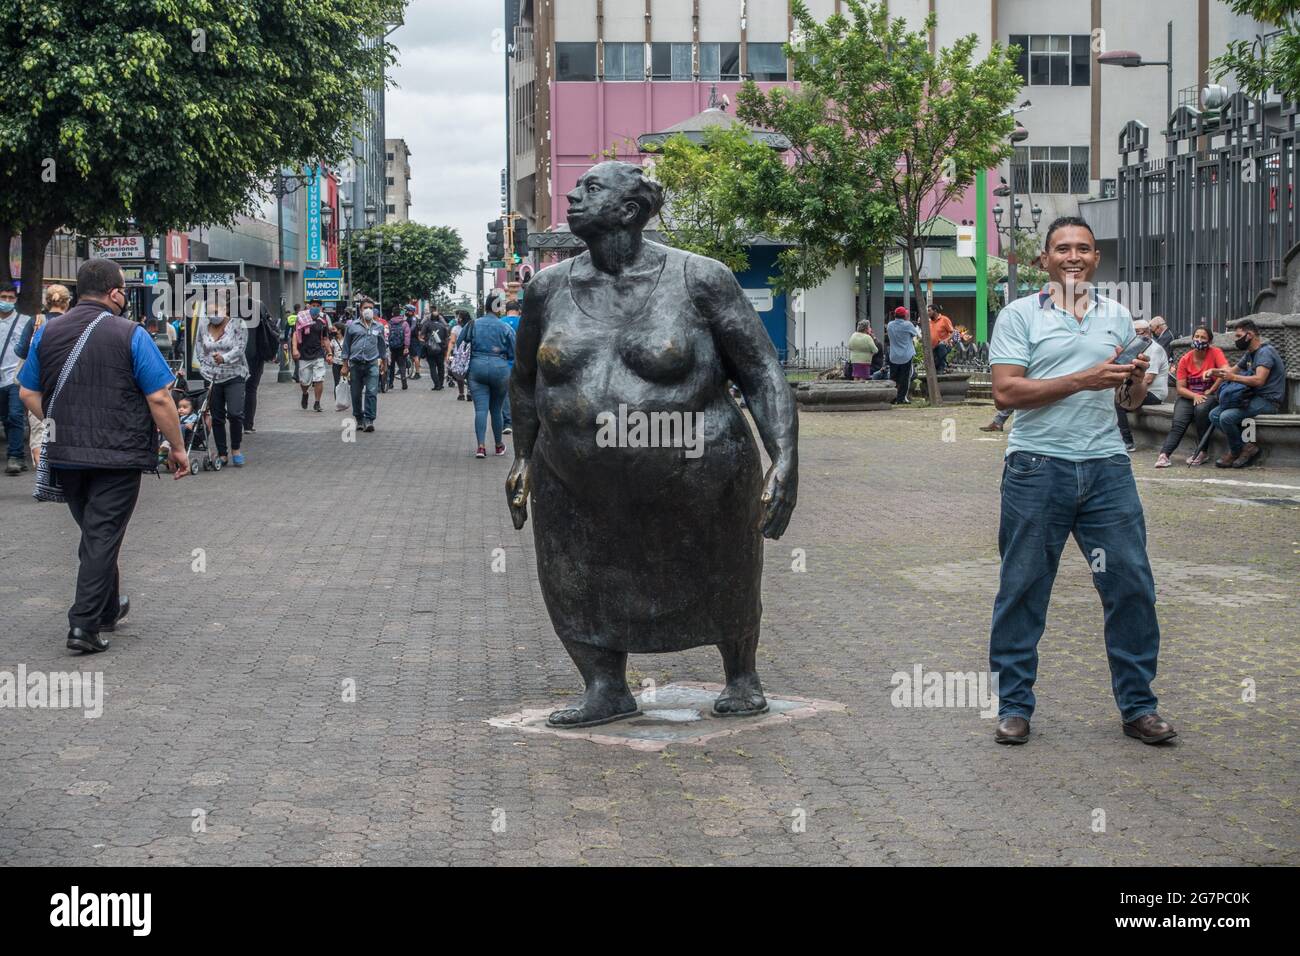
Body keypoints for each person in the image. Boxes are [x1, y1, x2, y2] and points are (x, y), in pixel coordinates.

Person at [987, 216, 1175, 747]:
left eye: (1084, 249)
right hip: (1036, 468)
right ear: (1045, 260)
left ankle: (1139, 707)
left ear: (1096, 259)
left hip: (1107, 468)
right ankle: (1014, 707)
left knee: (1132, 586)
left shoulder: (1118, 317)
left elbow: (1128, 403)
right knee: (1023, 588)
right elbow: (1006, 394)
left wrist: (1133, 384)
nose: (1073, 256)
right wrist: (1083, 380)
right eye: (1062, 248)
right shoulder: (1020, 315)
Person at [17, 258, 189, 654]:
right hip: (118, 457)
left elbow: (27, 393)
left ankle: (109, 607)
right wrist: (178, 448)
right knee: (101, 535)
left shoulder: (48, 332)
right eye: (124, 292)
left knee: (96, 533)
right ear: (115, 293)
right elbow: (160, 396)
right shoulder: (131, 333)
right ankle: (83, 626)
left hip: (65, 457)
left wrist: (64, 421)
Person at [1207, 318, 1287, 469]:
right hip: (1252, 397)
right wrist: (1214, 372)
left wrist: (1234, 378)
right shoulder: (1250, 353)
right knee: (1214, 414)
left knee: (1226, 417)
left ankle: (1235, 451)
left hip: (1268, 401)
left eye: (1238, 336)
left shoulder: (1265, 353)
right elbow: (1231, 371)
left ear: (1249, 335)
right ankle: (1246, 448)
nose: (1236, 340)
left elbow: (1259, 380)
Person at [14, 284, 72, 470]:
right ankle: (59, 470)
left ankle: (43, 472)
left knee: (41, 429)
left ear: (46, 301)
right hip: (66, 385)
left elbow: (21, 350)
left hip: (39, 386)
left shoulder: (36, 321)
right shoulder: (73, 322)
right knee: (60, 429)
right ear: (67, 302)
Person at [1155, 324, 1227, 467]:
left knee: (1201, 411)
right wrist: (1194, 396)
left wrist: (1212, 388)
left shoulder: (1215, 352)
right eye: (1197, 337)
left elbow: (1225, 371)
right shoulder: (1185, 359)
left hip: (1209, 395)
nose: (1199, 340)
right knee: (1179, 421)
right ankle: (1164, 454)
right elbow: (1180, 388)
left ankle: (1202, 452)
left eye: (1203, 337)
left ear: (1210, 341)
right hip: (1188, 396)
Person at [193, 298, 250, 467]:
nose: (213, 316)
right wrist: (205, 364)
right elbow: (199, 346)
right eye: (209, 312)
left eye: (216, 312)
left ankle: (236, 449)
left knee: (234, 413)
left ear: (225, 310)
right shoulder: (203, 325)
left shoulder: (238, 324)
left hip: (234, 374)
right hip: (212, 376)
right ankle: (222, 453)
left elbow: (240, 348)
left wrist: (223, 358)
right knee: (217, 416)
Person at [466, 290, 516, 458]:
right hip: (500, 369)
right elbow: (514, 352)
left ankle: (480, 447)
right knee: (496, 409)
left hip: (477, 367)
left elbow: (461, 345)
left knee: (480, 410)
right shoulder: (505, 327)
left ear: (485, 306)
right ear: (498, 308)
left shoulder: (473, 324)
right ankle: (498, 445)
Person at [1114, 317, 1169, 452]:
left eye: (1135, 333)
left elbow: (1148, 379)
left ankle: (1127, 441)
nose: (1132, 336)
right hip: (1139, 390)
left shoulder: (1155, 349)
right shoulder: (1137, 348)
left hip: (1154, 393)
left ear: (1146, 333)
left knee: (1118, 402)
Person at [0, 284, 34, 475]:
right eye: (3, 297)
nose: (6, 301)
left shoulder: (24, 322)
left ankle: (15, 456)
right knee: (6, 417)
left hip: (14, 376)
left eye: (10, 298)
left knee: (15, 415)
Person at [341, 297, 387, 432]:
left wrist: (384, 362)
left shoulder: (378, 326)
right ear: (360, 310)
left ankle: (369, 419)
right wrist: (345, 365)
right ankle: (359, 418)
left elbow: (382, 346)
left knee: (372, 392)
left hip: (372, 363)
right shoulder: (352, 326)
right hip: (355, 364)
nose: (368, 310)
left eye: (371, 308)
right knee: (355, 393)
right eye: (365, 308)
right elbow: (346, 346)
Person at [239, 279, 273, 432]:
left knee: (234, 388)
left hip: (233, 356)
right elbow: (269, 328)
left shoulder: (227, 306)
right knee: (251, 389)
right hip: (255, 354)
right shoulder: (259, 305)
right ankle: (248, 424)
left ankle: (235, 418)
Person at [293, 298, 333, 412]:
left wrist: (329, 353)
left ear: (320, 308)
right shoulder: (301, 318)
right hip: (304, 354)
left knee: (319, 378)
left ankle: (317, 402)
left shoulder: (322, 321)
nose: (315, 307)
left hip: (318, 354)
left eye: (317, 305)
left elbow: (325, 338)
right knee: (304, 382)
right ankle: (305, 393)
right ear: (309, 306)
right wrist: (295, 349)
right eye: (313, 305)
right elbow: (295, 335)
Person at [886, 306, 920, 404]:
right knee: (905, 378)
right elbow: (916, 335)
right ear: (904, 315)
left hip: (894, 355)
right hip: (906, 355)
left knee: (893, 378)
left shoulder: (890, 325)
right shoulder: (908, 325)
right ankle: (901, 398)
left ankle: (892, 397)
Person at [501, 298, 521, 432]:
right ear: (518, 310)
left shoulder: (500, 322)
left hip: (504, 363)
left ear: (506, 311)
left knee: (506, 394)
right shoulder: (524, 321)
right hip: (522, 364)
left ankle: (508, 423)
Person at [446, 310, 472, 400]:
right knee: (469, 372)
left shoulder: (456, 328)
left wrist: (448, 354)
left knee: (458, 372)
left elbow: (452, 342)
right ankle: (469, 392)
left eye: (458, 317)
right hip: (470, 353)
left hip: (459, 354)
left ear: (460, 318)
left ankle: (461, 394)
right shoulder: (472, 326)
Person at [385, 306, 411, 390]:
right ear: (400, 313)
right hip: (401, 347)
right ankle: (404, 382)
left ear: (392, 314)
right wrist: (406, 347)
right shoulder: (404, 323)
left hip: (391, 348)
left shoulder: (389, 323)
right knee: (402, 365)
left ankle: (390, 383)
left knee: (391, 366)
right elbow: (407, 336)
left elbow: (386, 335)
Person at [423, 310, 450, 391]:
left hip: (430, 349)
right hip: (441, 349)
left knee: (432, 367)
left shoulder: (427, 324)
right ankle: (440, 384)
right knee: (441, 366)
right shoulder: (443, 326)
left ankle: (436, 384)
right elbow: (446, 337)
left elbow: (422, 334)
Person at [928, 303, 955, 373]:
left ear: (935, 311)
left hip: (944, 346)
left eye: (929, 311)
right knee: (935, 364)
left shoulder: (944, 319)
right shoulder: (929, 322)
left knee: (941, 347)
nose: (928, 313)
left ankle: (942, 368)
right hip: (933, 347)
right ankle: (945, 366)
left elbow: (953, 332)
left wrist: (946, 340)